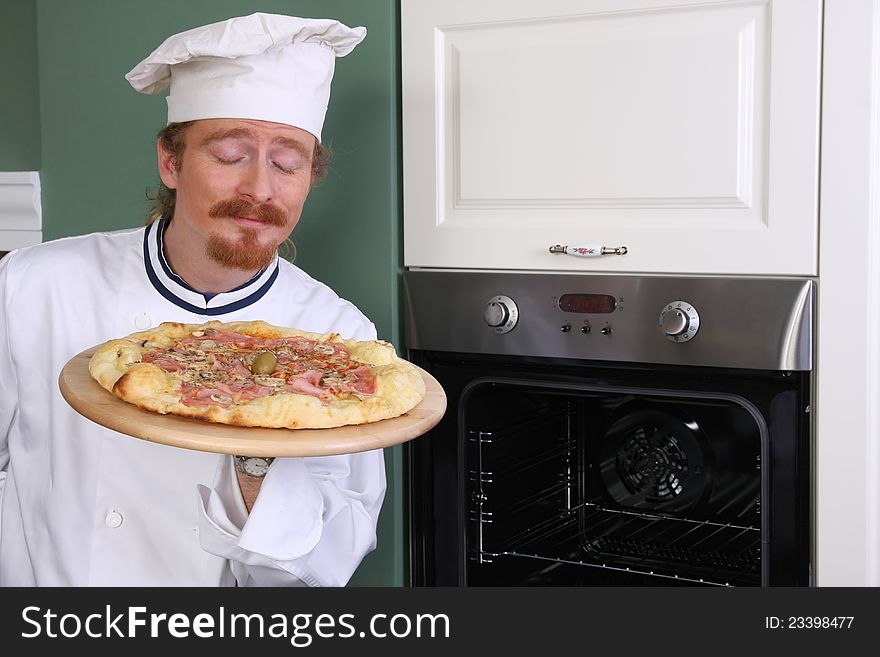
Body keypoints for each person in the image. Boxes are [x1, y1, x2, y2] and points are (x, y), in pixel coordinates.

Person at [0, 13, 386, 586]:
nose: (259, 188)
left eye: (287, 162)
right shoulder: (33, 284)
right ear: (171, 161)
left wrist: (259, 452)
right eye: (231, 154)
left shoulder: (340, 339)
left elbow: (313, 575)